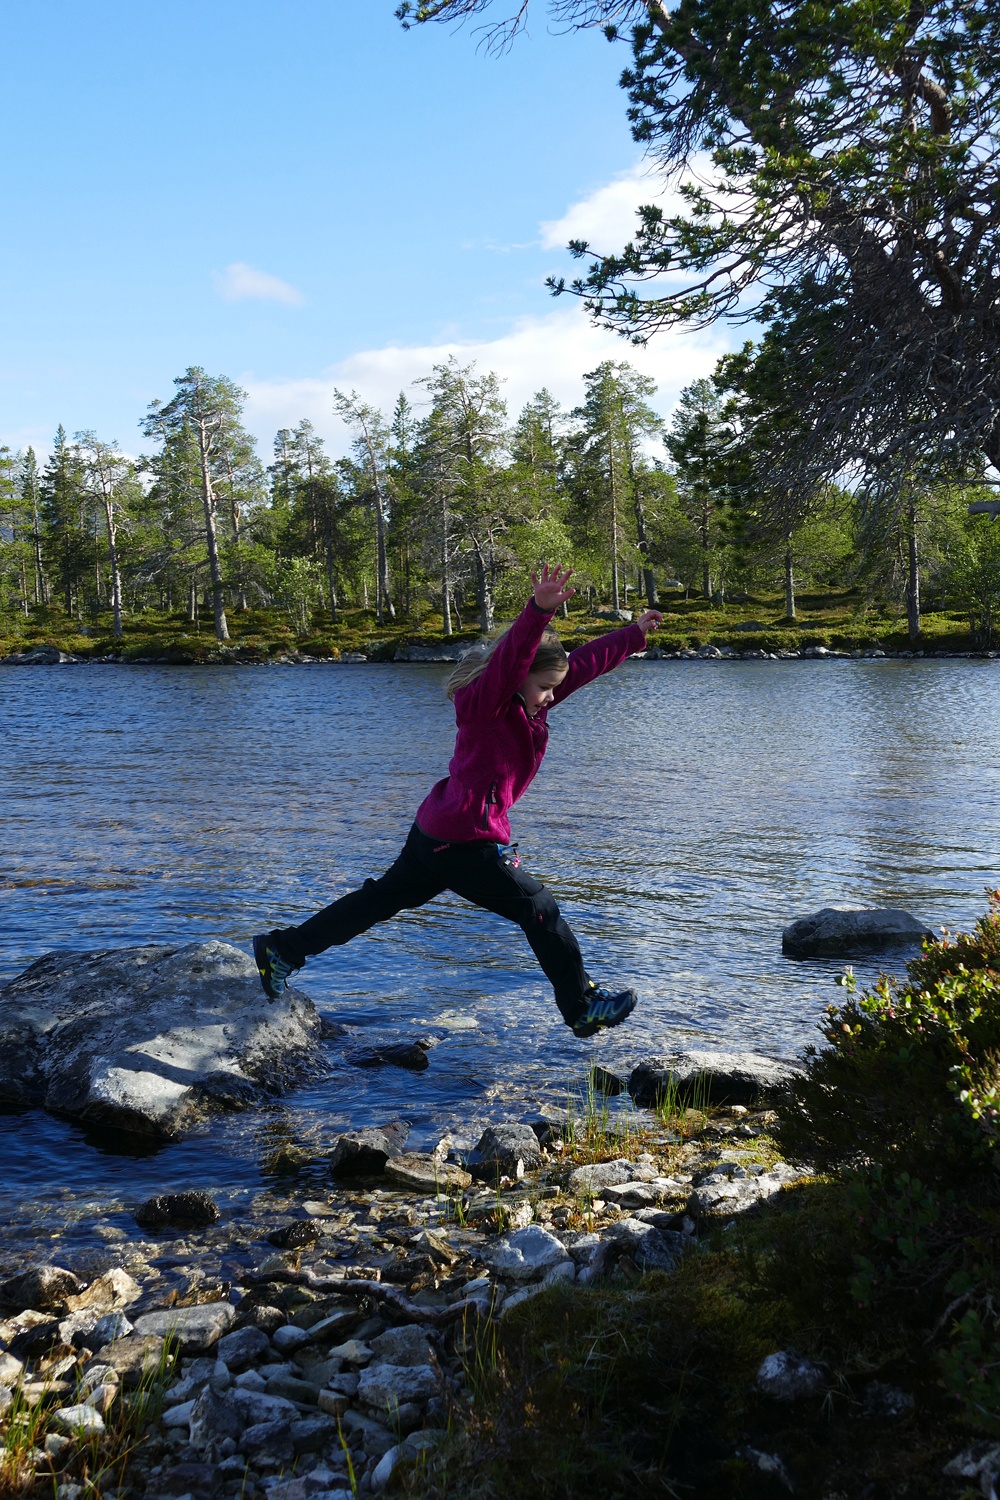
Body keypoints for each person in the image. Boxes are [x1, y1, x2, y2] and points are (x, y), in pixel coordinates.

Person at [253, 564, 662, 1038]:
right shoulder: (486, 704)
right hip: (465, 840)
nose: (551, 697)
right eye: (545, 687)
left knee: (378, 901)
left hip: (437, 832)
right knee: (539, 908)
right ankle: (581, 1005)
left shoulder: (528, 704)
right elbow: (513, 657)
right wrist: (538, 612)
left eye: (554, 688)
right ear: (517, 678)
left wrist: (632, 635)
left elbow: (583, 665)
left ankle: (284, 949)